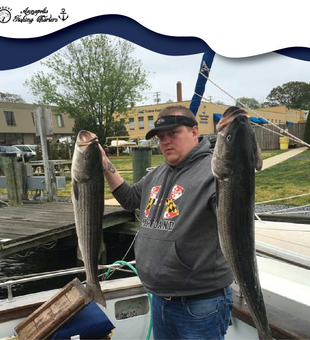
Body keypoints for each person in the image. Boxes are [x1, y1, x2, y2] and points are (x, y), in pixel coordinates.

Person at [100, 105, 234, 340]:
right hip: (160, 299)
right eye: (161, 137)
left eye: (174, 134)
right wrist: (104, 163)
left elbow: (234, 214)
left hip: (200, 303)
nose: (166, 142)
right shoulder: (158, 173)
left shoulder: (216, 173)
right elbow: (129, 199)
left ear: (194, 132)